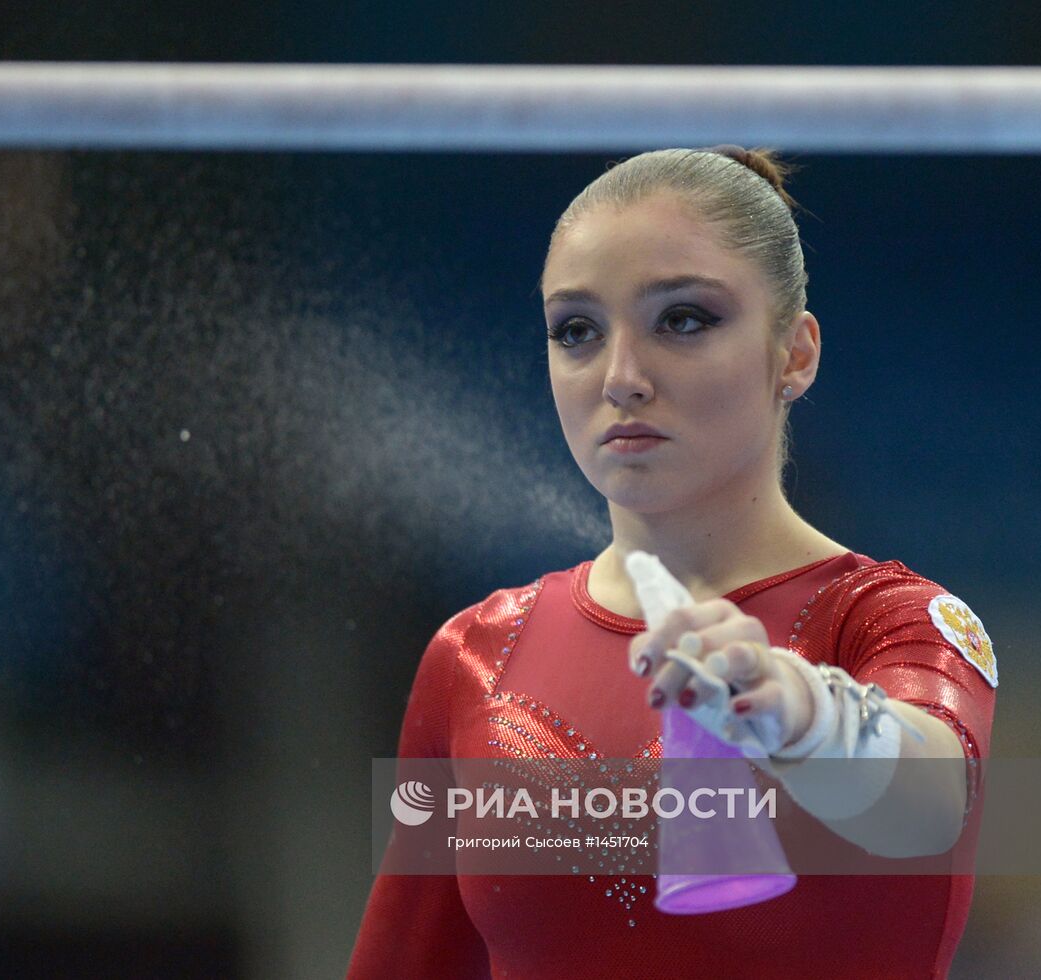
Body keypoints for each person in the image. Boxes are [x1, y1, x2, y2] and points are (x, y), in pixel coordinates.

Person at [346, 146, 997, 979]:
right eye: (576, 331)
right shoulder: (477, 657)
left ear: (793, 354)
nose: (621, 377)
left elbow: (927, 805)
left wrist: (799, 712)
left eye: (683, 319)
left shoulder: (887, 621)